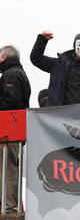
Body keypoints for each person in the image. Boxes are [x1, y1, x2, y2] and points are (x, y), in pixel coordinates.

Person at [0, 45, 31, 214]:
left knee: (7, 167)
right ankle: (10, 205)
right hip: (15, 130)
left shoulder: (11, 74)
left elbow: (11, 101)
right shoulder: (19, 72)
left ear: (4, 57)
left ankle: (9, 207)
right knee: (10, 166)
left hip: (8, 130)